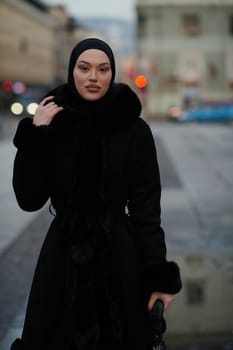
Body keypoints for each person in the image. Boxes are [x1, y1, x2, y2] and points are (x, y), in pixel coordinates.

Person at [11, 38, 182, 350]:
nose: (94, 77)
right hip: (62, 259)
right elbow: (28, 198)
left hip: (120, 258)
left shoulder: (134, 130)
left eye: (103, 69)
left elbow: (146, 210)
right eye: (84, 68)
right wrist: (36, 135)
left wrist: (158, 279)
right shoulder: (54, 122)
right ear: (71, 71)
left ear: (112, 73)